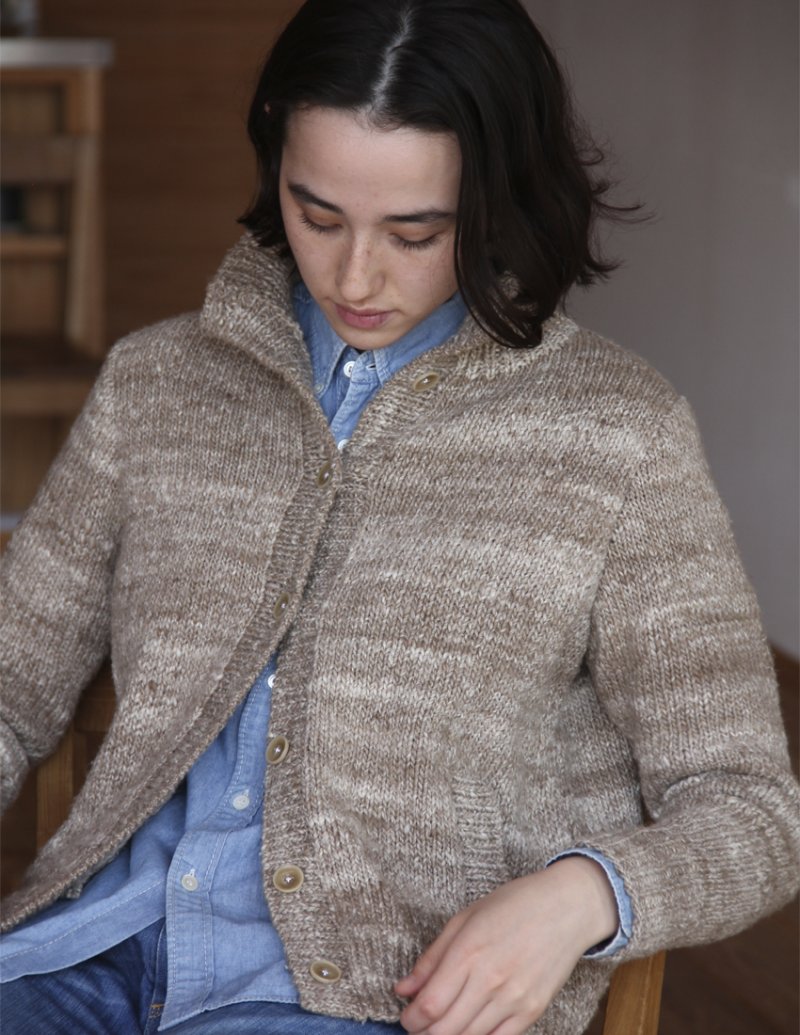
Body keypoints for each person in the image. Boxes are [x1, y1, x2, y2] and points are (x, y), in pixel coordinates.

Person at [1, 1, 798, 1033]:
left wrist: (583, 894)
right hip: (88, 953)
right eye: (318, 215)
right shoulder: (156, 383)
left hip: (364, 1001)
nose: (354, 276)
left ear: (499, 195)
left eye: (416, 232)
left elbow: (752, 809)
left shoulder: (617, 436)